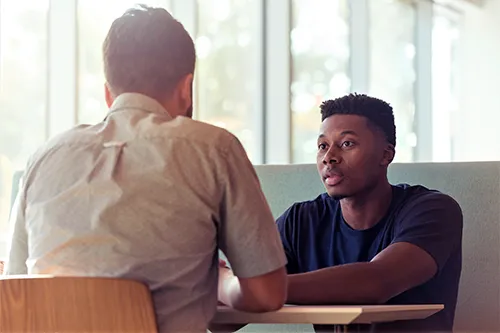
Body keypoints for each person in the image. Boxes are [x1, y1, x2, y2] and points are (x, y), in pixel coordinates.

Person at [4, 5, 287, 333]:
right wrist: (222, 282)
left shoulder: (44, 157)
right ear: (186, 88)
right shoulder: (214, 149)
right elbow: (266, 294)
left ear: (108, 93)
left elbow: (15, 289)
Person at [277, 94, 463, 332]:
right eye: (323, 146)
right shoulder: (300, 221)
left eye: (347, 144)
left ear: (386, 155)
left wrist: (256, 289)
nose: (329, 157)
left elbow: (376, 282)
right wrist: (226, 284)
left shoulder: (433, 211)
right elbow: (228, 322)